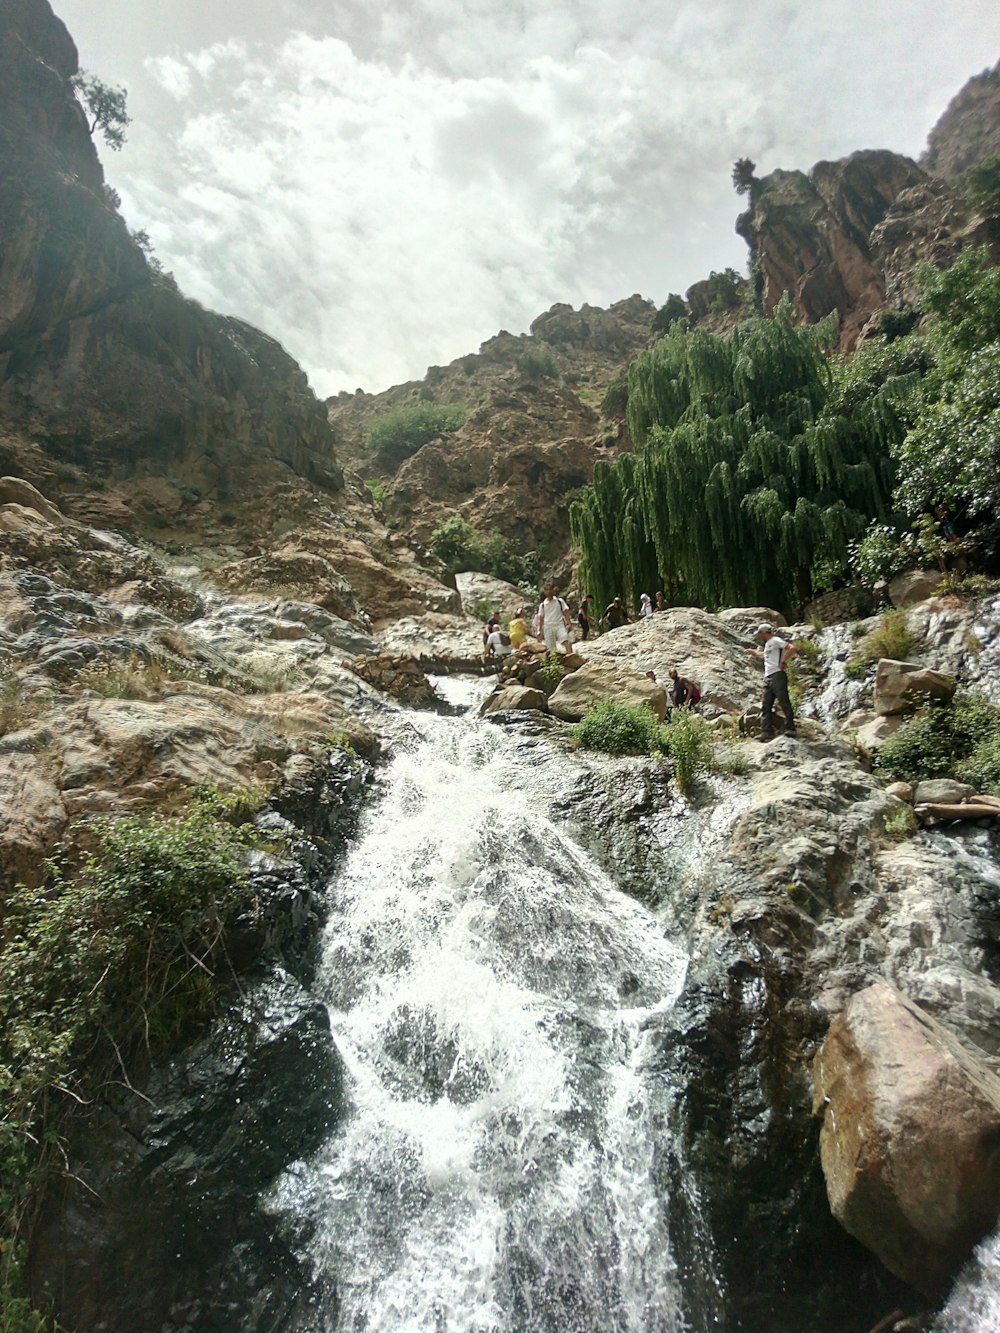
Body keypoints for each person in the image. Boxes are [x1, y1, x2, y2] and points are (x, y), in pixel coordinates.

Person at [745, 623, 797, 741]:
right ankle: (767, 732)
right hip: (768, 676)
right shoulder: (768, 644)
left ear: (764, 633)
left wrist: (783, 661)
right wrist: (753, 652)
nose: (759, 636)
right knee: (766, 705)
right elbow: (764, 656)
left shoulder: (775, 640)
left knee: (784, 701)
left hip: (777, 675)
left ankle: (791, 728)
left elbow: (792, 648)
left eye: (759, 634)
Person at [536, 584, 574, 655]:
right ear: (544, 591)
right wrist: (539, 630)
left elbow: (565, 612)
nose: (549, 591)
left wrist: (569, 623)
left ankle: (571, 656)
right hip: (548, 627)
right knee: (551, 647)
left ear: (553, 590)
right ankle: (555, 663)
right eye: (547, 590)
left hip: (559, 624)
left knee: (565, 639)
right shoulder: (542, 605)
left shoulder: (559, 601)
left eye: (550, 589)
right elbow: (541, 618)